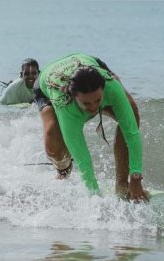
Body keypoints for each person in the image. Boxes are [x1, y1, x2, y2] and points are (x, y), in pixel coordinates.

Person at [34, 53, 147, 201]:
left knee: (131, 113)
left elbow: (132, 134)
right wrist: (95, 198)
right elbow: (84, 161)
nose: (94, 107)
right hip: (46, 83)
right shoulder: (65, 105)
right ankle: (63, 171)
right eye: (86, 104)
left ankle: (122, 184)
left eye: (98, 100)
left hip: (89, 65)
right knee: (54, 147)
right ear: (74, 97)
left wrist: (136, 178)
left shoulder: (111, 86)